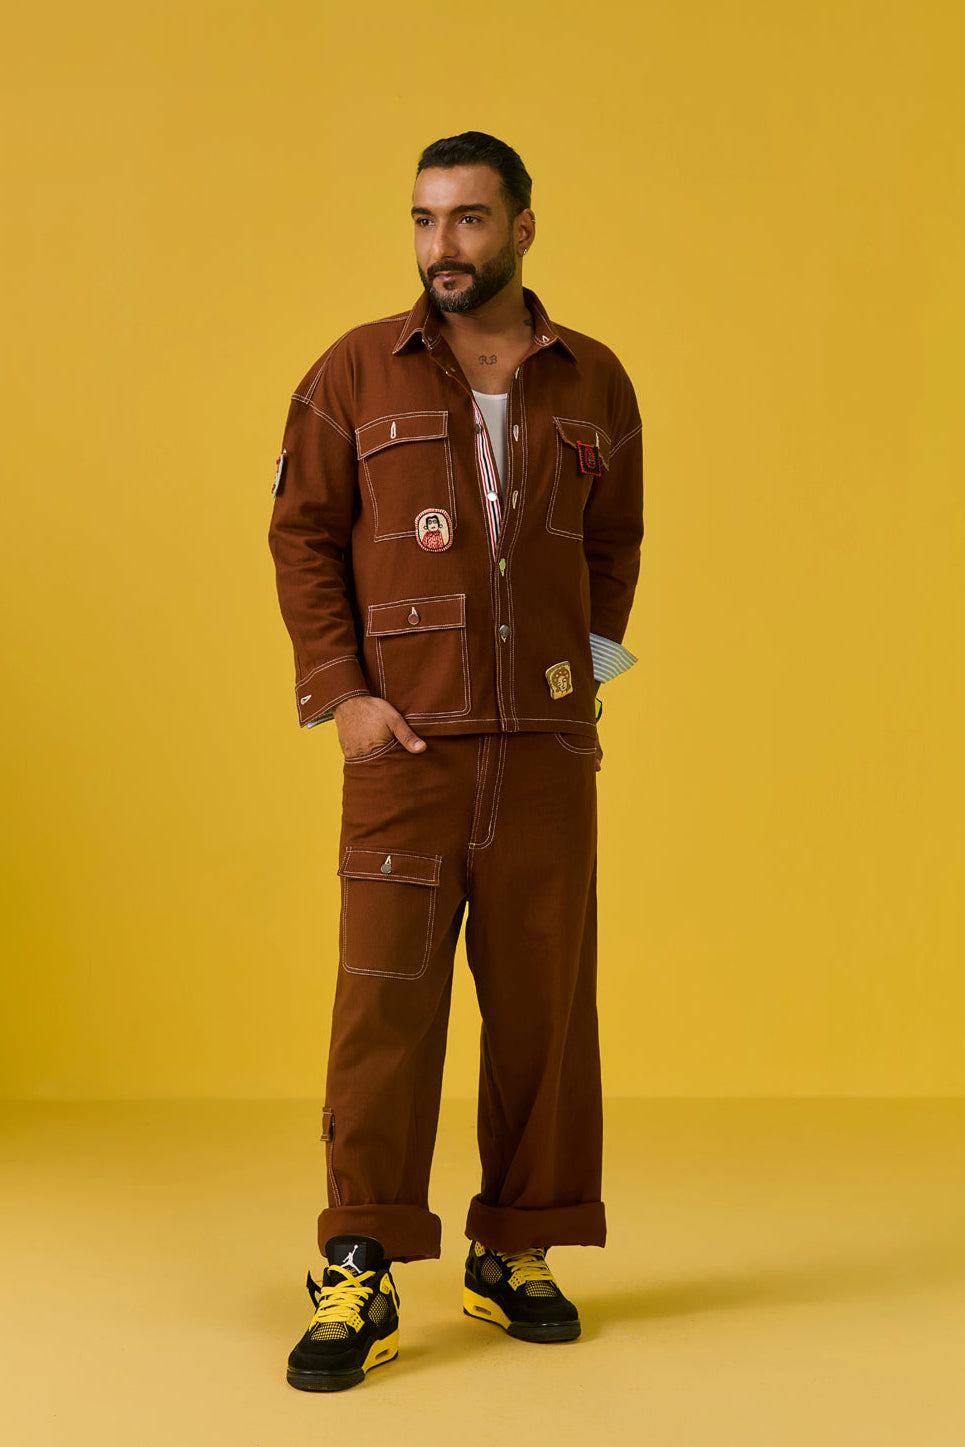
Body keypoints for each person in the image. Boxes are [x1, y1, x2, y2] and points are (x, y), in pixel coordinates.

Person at [268, 130, 644, 1392]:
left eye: (469, 219)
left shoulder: (592, 380)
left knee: (544, 1010)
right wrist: (343, 696)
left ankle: (515, 1248)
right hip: (405, 747)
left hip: (541, 753)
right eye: (425, 220)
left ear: (521, 228)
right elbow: (302, 536)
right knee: (382, 1008)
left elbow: (613, 541)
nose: (442, 245)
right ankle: (360, 1259)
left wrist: (578, 677)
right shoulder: (352, 371)